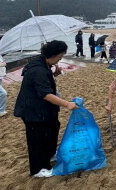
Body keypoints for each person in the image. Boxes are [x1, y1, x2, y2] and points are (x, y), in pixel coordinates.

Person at [13, 40, 78, 178]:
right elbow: (45, 94)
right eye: (60, 56)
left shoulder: (44, 64)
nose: (60, 59)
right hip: (33, 110)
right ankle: (38, 169)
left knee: (52, 129)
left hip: (44, 110)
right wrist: (67, 104)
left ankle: (49, 156)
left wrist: (54, 74)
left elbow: (43, 84)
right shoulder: (38, 70)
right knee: (38, 139)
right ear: (52, 54)